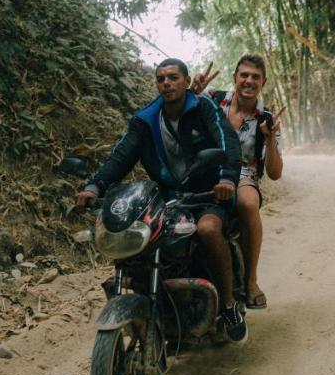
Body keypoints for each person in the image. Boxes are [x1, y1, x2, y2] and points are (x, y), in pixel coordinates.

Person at [75, 58, 248, 343]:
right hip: (166, 199)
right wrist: (94, 185)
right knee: (139, 240)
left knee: (207, 230)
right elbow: (121, 156)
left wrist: (227, 179)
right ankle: (154, 305)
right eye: (161, 79)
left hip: (206, 194)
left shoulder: (204, 108)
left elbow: (227, 142)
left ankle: (228, 307)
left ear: (186, 81)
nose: (166, 83)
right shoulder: (145, 120)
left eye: (173, 77)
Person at [191, 54, 282, 310]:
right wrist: (192, 92)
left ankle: (250, 280)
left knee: (248, 203)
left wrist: (271, 138)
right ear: (235, 77)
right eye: (244, 75)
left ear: (263, 82)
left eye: (255, 77)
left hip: (243, 175)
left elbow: (274, 173)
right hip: (205, 169)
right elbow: (181, 115)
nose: (249, 81)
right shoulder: (212, 99)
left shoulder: (266, 118)